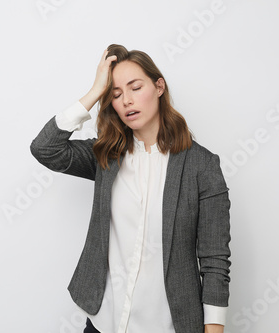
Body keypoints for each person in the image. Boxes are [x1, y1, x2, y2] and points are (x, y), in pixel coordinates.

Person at [30, 44, 231, 333]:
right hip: (104, 323)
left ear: (159, 86)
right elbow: (45, 149)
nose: (126, 101)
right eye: (115, 94)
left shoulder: (202, 166)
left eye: (135, 87)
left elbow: (215, 260)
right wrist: (94, 92)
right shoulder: (106, 156)